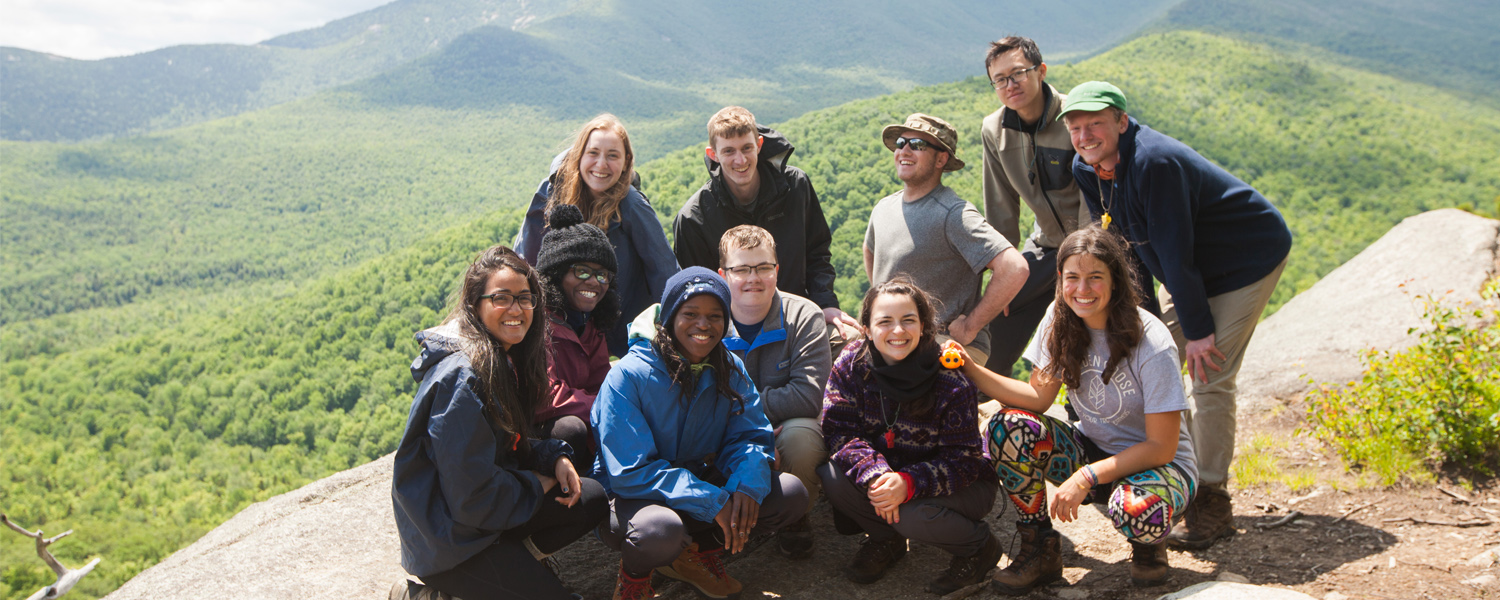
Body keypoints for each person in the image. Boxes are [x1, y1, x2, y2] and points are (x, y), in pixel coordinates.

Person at [1060, 81, 1292, 549]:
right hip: (1189, 268)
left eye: (1096, 125)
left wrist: (1201, 332)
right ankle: (1166, 468)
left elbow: (1173, 254)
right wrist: (1132, 325)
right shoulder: (1087, 168)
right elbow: (1125, 253)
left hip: (1246, 260)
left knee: (1209, 372)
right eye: (1075, 128)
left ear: (1122, 123)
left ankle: (1210, 498)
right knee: (1151, 358)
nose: (1085, 137)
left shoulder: (1154, 163)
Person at [956, 227, 1198, 594]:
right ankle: (1040, 548)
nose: (1082, 290)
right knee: (1006, 428)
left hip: (1162, 467)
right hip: (1094, 450)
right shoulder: (1060, 318)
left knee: (1137, 511)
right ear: (1060, 280)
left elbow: (1161, 447)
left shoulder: (1153, 342)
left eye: (1094, 278)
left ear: (1115, 281)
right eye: (1073, 278)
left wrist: (1086, 477)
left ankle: (1148, 549)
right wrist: (970, 369)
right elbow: (1037, 398)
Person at [392, 245, 608, 600]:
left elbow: (505, 443)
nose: (516, 310)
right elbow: (472, 498)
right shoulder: (464, 381)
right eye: (501, 298)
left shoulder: (501, 359)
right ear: (476, 304)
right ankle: (432, 593)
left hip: (479, 519)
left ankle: (505, 572)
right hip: (451, 540)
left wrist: (550, 457)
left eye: (524, 298)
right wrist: (537, 483)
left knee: (590, 498)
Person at [593, 267, 811, 600]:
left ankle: (695, 554)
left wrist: (747, 486)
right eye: (690, 313)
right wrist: (712, 500)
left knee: (790, 494)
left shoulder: (728, 367)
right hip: (632, 498)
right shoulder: (628, 376)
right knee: (658, 531)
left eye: (715, 315)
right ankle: (634, 577)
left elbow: (751, 436)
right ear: (669, 317)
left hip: (700, 481)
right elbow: (629, 472)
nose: (703, 324)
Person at [819, 278, 1003, 595]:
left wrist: (909, 483)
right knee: (832, 475)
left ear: (923, 326)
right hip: (886, 472)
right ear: (865, 328)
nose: (898, 332)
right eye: (884, 322)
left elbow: (965, 461)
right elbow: (839, 430)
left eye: (908, 321)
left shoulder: (949, 377)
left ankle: (979, 547)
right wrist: (877, 476)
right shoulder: (852, 364)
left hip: (963, 486)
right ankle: (886, 540)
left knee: (909, 514)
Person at [673, 106, 861, 345]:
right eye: (729, 151)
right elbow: (699, 290)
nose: (740, 160)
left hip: (796, 316)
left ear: (759, 145)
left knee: (852, 342)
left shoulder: (795, 187)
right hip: (732, 330)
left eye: (747, 148)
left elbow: (818, 253)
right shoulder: (694, 218)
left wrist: (826, 304)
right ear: (713, 154)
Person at [863, 113, 1029, 367]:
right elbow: (872, 254)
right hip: (896, 341)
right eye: (901, 143)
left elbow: (1014, 268)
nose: (905, 150)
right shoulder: (883, 208)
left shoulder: (953, 214)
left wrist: (971, 326)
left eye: (917, 145)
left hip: (944, 345)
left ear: (941, 158)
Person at [516, 113, 679, 357]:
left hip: (623, 331)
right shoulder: (552, 193)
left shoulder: (631, 205)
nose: (601, 164)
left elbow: (664, 270)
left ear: (626, 163)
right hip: (563, 330)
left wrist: (675, 328)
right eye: (593, 153)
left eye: (613, 155)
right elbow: (526, 260)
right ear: (578, 155)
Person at [978, 36, 1092, 376]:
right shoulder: (994, 130)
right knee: (997, 319)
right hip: (1043, 248)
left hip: (1090, 244)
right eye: (1000, 80)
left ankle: (1080, 411)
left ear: (1040, 71)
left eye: (1018, 74)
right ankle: (990, 408)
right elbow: (1000, 207)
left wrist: (1083, 259)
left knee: (1086, 322)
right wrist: (1003, 271)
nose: (1009, 85)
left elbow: (1093, 202)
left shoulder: (1077, 117)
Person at [716, 225, 831, 559]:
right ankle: (725, 518)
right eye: (741, 269)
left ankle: (795, 515)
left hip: (783, 428)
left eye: (763, 267)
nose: (754, 278)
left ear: (776, 271)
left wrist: (743, 412)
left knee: (803, 437)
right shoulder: (708, 319)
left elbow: (809, 397)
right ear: (723, 275)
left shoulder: (804, 316)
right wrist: (750, 422)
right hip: (726, 431)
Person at [533, 204, 619, 470]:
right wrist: (604, 408)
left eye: (602, 274)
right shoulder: (536, 325)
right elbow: (544, 396)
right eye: (581, 271)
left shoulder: (589, 323)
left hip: (581, 422)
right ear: (556, 275)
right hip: (532, 437)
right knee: (570, 429)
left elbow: (602, 382)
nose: (594, 282)